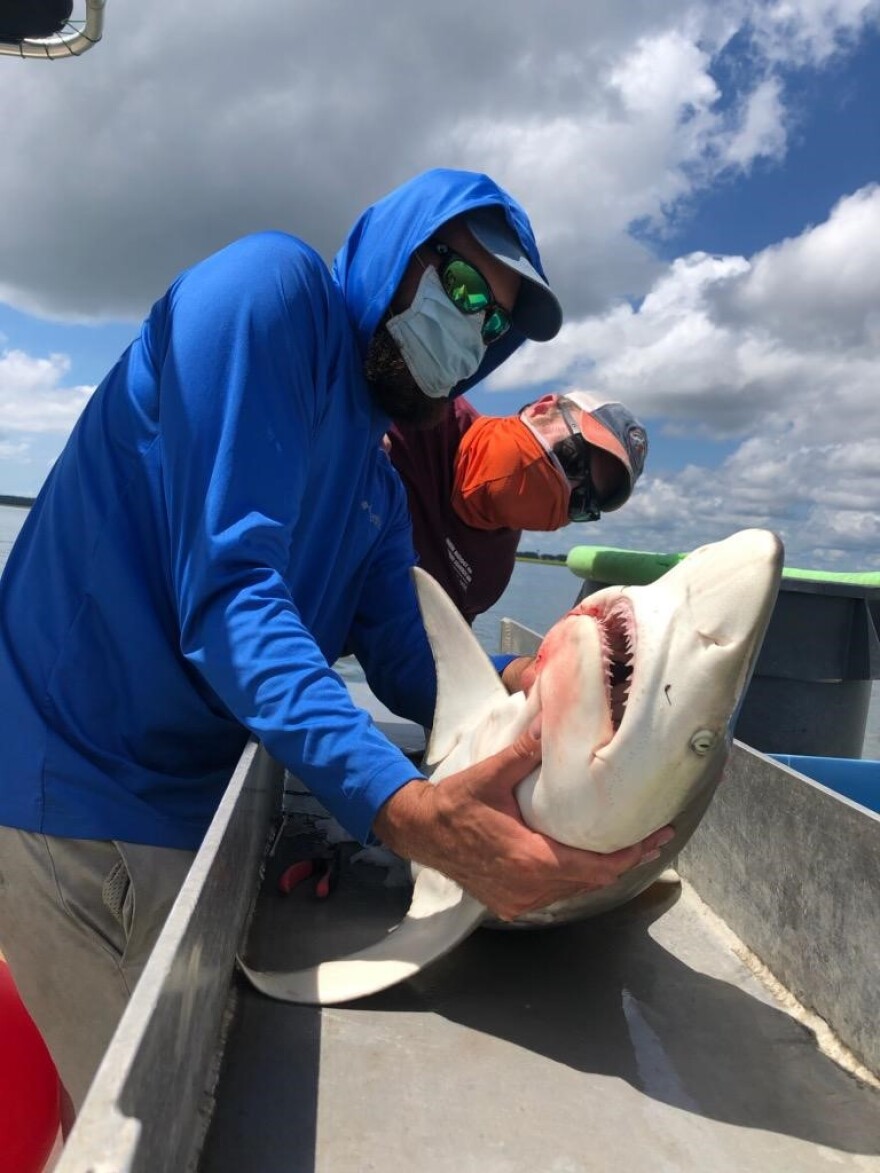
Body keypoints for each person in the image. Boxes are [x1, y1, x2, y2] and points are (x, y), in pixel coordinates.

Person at [0, 168, 673, 1115]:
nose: (469, 330)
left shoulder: (373, 482)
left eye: (492, 325)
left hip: (191, 796)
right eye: (462, 288)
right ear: (395, 251)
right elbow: (232, 597)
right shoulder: (267, 294)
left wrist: (538, 677)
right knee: (162, 1117)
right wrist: (403, 808)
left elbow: (410, 660)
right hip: (78, 785)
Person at [387, 391, 648, 623]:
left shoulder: (487, 578)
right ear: (542, 408)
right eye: (572, 457)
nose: (566, 487)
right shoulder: (420, 403)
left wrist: (515, 670)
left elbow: (431, 658)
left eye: (582, 501)